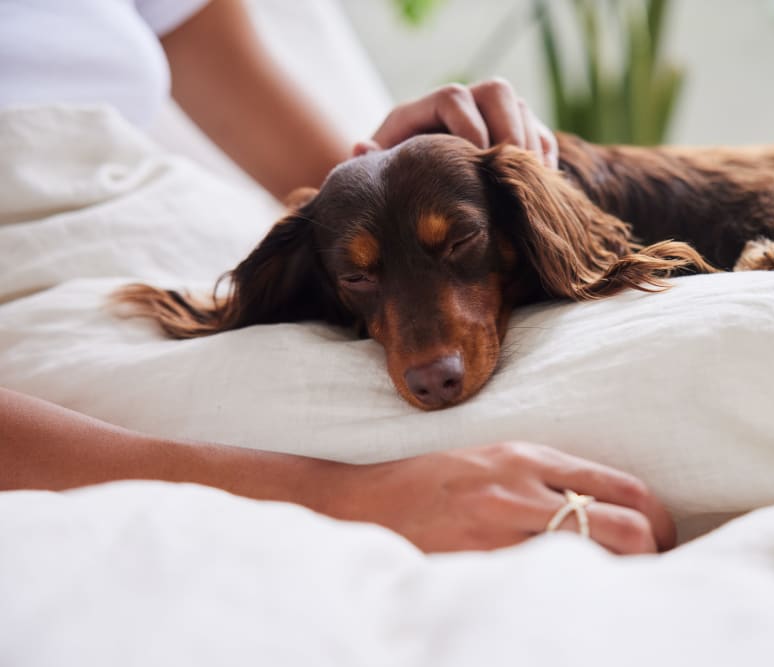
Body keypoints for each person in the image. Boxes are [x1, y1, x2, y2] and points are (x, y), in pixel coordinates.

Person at [0, 0, 675, 554]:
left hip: (188, 240)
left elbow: (199, 38)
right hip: (47, 309)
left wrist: (405, 171)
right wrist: (346, 498)